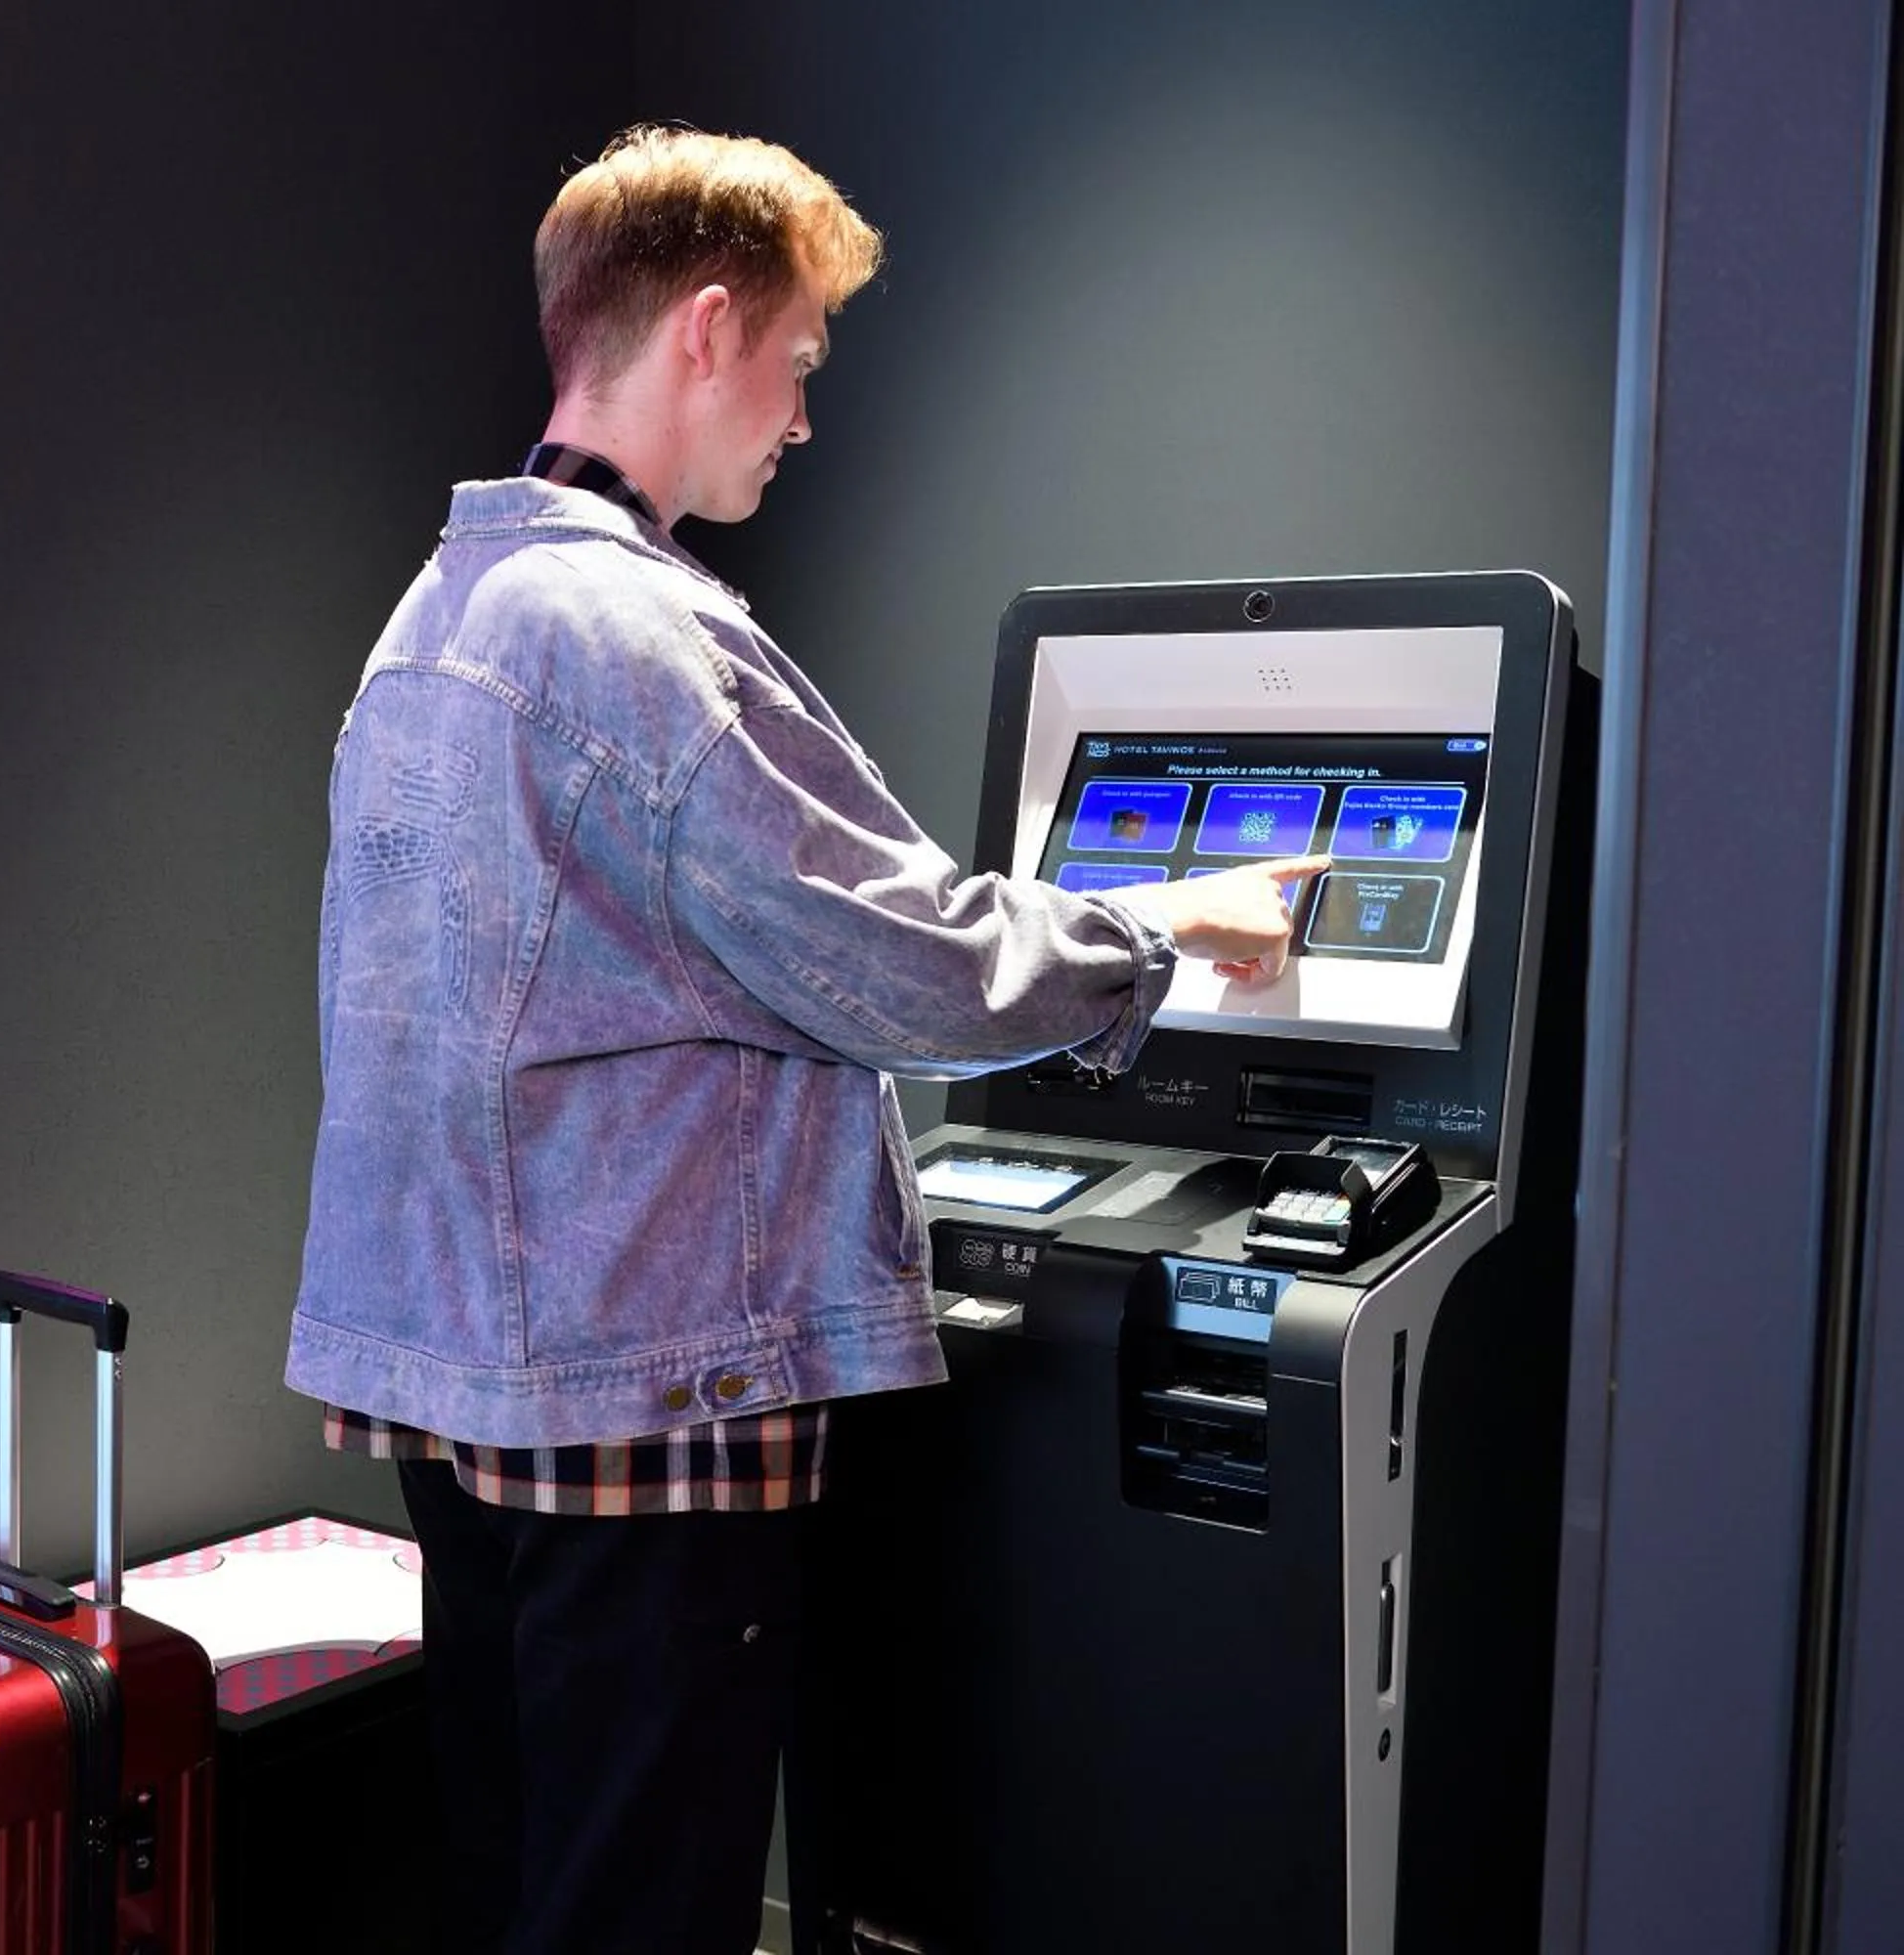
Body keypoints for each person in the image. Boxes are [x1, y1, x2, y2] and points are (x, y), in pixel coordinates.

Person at [285, 127, 1324, 1955]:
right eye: (799, 360)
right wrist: (1160, 934)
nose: (803, 415)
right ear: (704, 328)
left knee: (523, 1879)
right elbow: (893, 959)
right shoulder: (634, 634)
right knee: (644, 1908)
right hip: (645, 1385)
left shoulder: (435, 615)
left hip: (478, 1377)